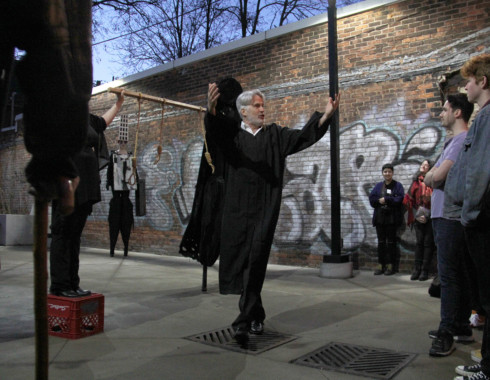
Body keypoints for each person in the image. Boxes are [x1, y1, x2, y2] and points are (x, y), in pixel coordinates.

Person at [205, 81, 340, 343]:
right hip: (235, 211)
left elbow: (302, 137)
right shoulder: (232, 137)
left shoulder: (275, 136)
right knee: (242, 264)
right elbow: (215, 133)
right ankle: (256, 314)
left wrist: (325, 116)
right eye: (256, 106)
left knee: (255, 263)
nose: (262, 109)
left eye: (263, 105)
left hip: (264, 211)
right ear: (243, 111)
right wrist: (210, 111)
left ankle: (242, 323)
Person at [49, 92, 125, 297]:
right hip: (68, 182)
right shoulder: (61, 118)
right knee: (63, 233)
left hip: (86, 184)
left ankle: (72, 283)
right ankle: (59, 285)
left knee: (74, 235)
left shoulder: (86, 119)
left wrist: (118, 104)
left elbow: (102, 123)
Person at [445, 54, 490, 380]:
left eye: (469, 81)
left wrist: (469, 214)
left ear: (482, 82)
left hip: (480, 221)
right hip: (479, 219)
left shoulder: (486, 118)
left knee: (487, 297)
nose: (466, 87)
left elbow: (479, 173)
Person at [424, 93, 474, 357]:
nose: (441, 113)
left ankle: (447, 332)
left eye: (444, 109)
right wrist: (432, 172)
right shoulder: (455, 141)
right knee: (459, 273)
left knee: (450, 276)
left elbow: (437, 177)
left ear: (457, 113)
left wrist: (431, 174)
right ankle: (461, 326)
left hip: (448, 216)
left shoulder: (460, 140)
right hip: (447, 216)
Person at [369, 163, 405, 276]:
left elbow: (399, 199)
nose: (387, 173)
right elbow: (372, 198)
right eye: (385, 172)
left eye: (389, 171)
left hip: (392, 219)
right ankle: (380, 265)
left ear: (392, 173)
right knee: (381, 242)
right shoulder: (378, 186)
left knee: (391, 242)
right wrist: (379, 201)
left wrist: (387, 199)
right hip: (380, 218)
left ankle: (390, 265)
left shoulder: (397, 185)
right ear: (382, 173)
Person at [106, 124, 135, 258]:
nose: (123, 144)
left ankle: (126, 248)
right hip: (116, 197)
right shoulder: (113, 156)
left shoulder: (130, 156)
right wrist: (108, 183)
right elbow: (109, 172)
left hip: (125, 196)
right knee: (114, 224)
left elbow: (134, 173)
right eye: (121, 141)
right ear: (118, 141)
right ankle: (112, 248)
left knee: (126, 224)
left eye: (124, 141)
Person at [403, 159, 435, 281]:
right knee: (419, 243)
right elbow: (408, 200)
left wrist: (428, 215)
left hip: (431, 217)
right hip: (418, 217)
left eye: (426, 165)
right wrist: (417, 214)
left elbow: (437, 200)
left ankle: (424, 271)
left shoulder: (433, 183)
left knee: (428, 243)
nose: (423, 166)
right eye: (422, 164)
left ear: (430, 169)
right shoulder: (415, 183)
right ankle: (416, 269)